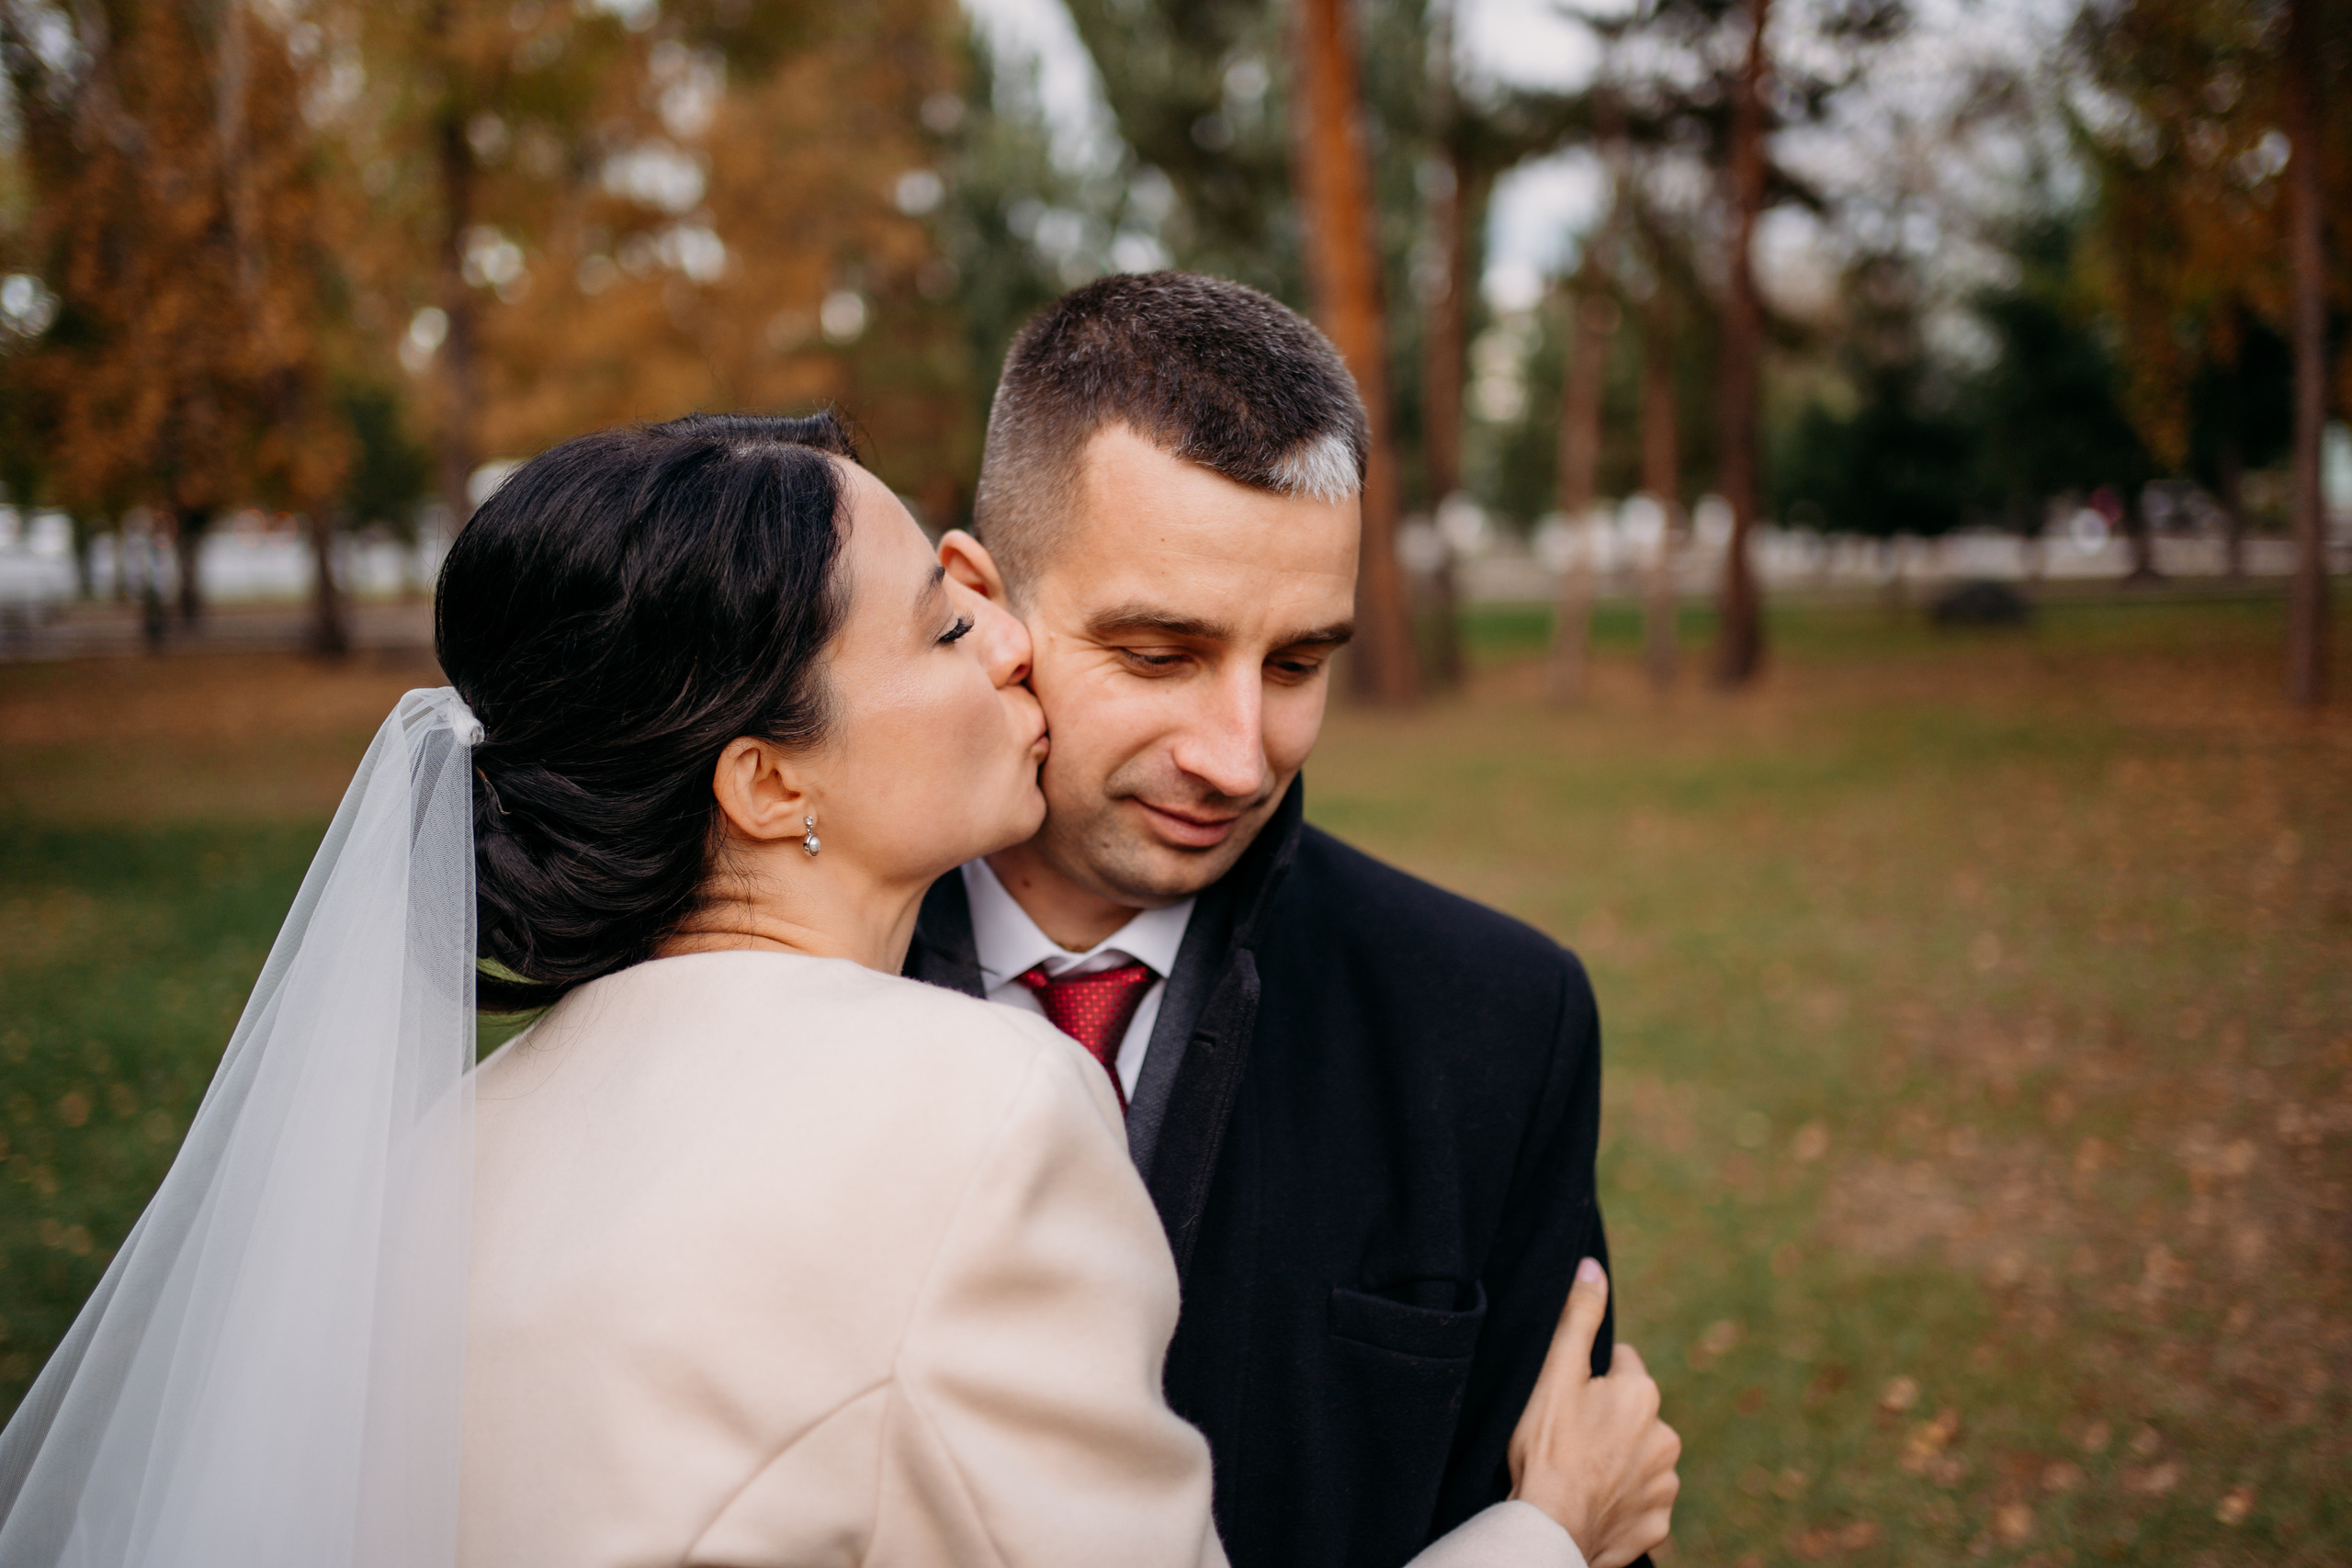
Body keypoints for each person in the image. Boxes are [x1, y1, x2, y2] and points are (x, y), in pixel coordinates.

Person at [0, 412, 1677, 1567]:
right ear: (765, 785)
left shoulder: (453, 1140)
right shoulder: (976, 1109)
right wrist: (1547, 1527)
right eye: (945, 633)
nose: (1009, 646)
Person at [906, 272, 1637, 1568]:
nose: (1241, 758)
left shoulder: (1498, 1022)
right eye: (1159, 654)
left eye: (1299, 664)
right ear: (980, 605)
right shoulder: (780, 984)